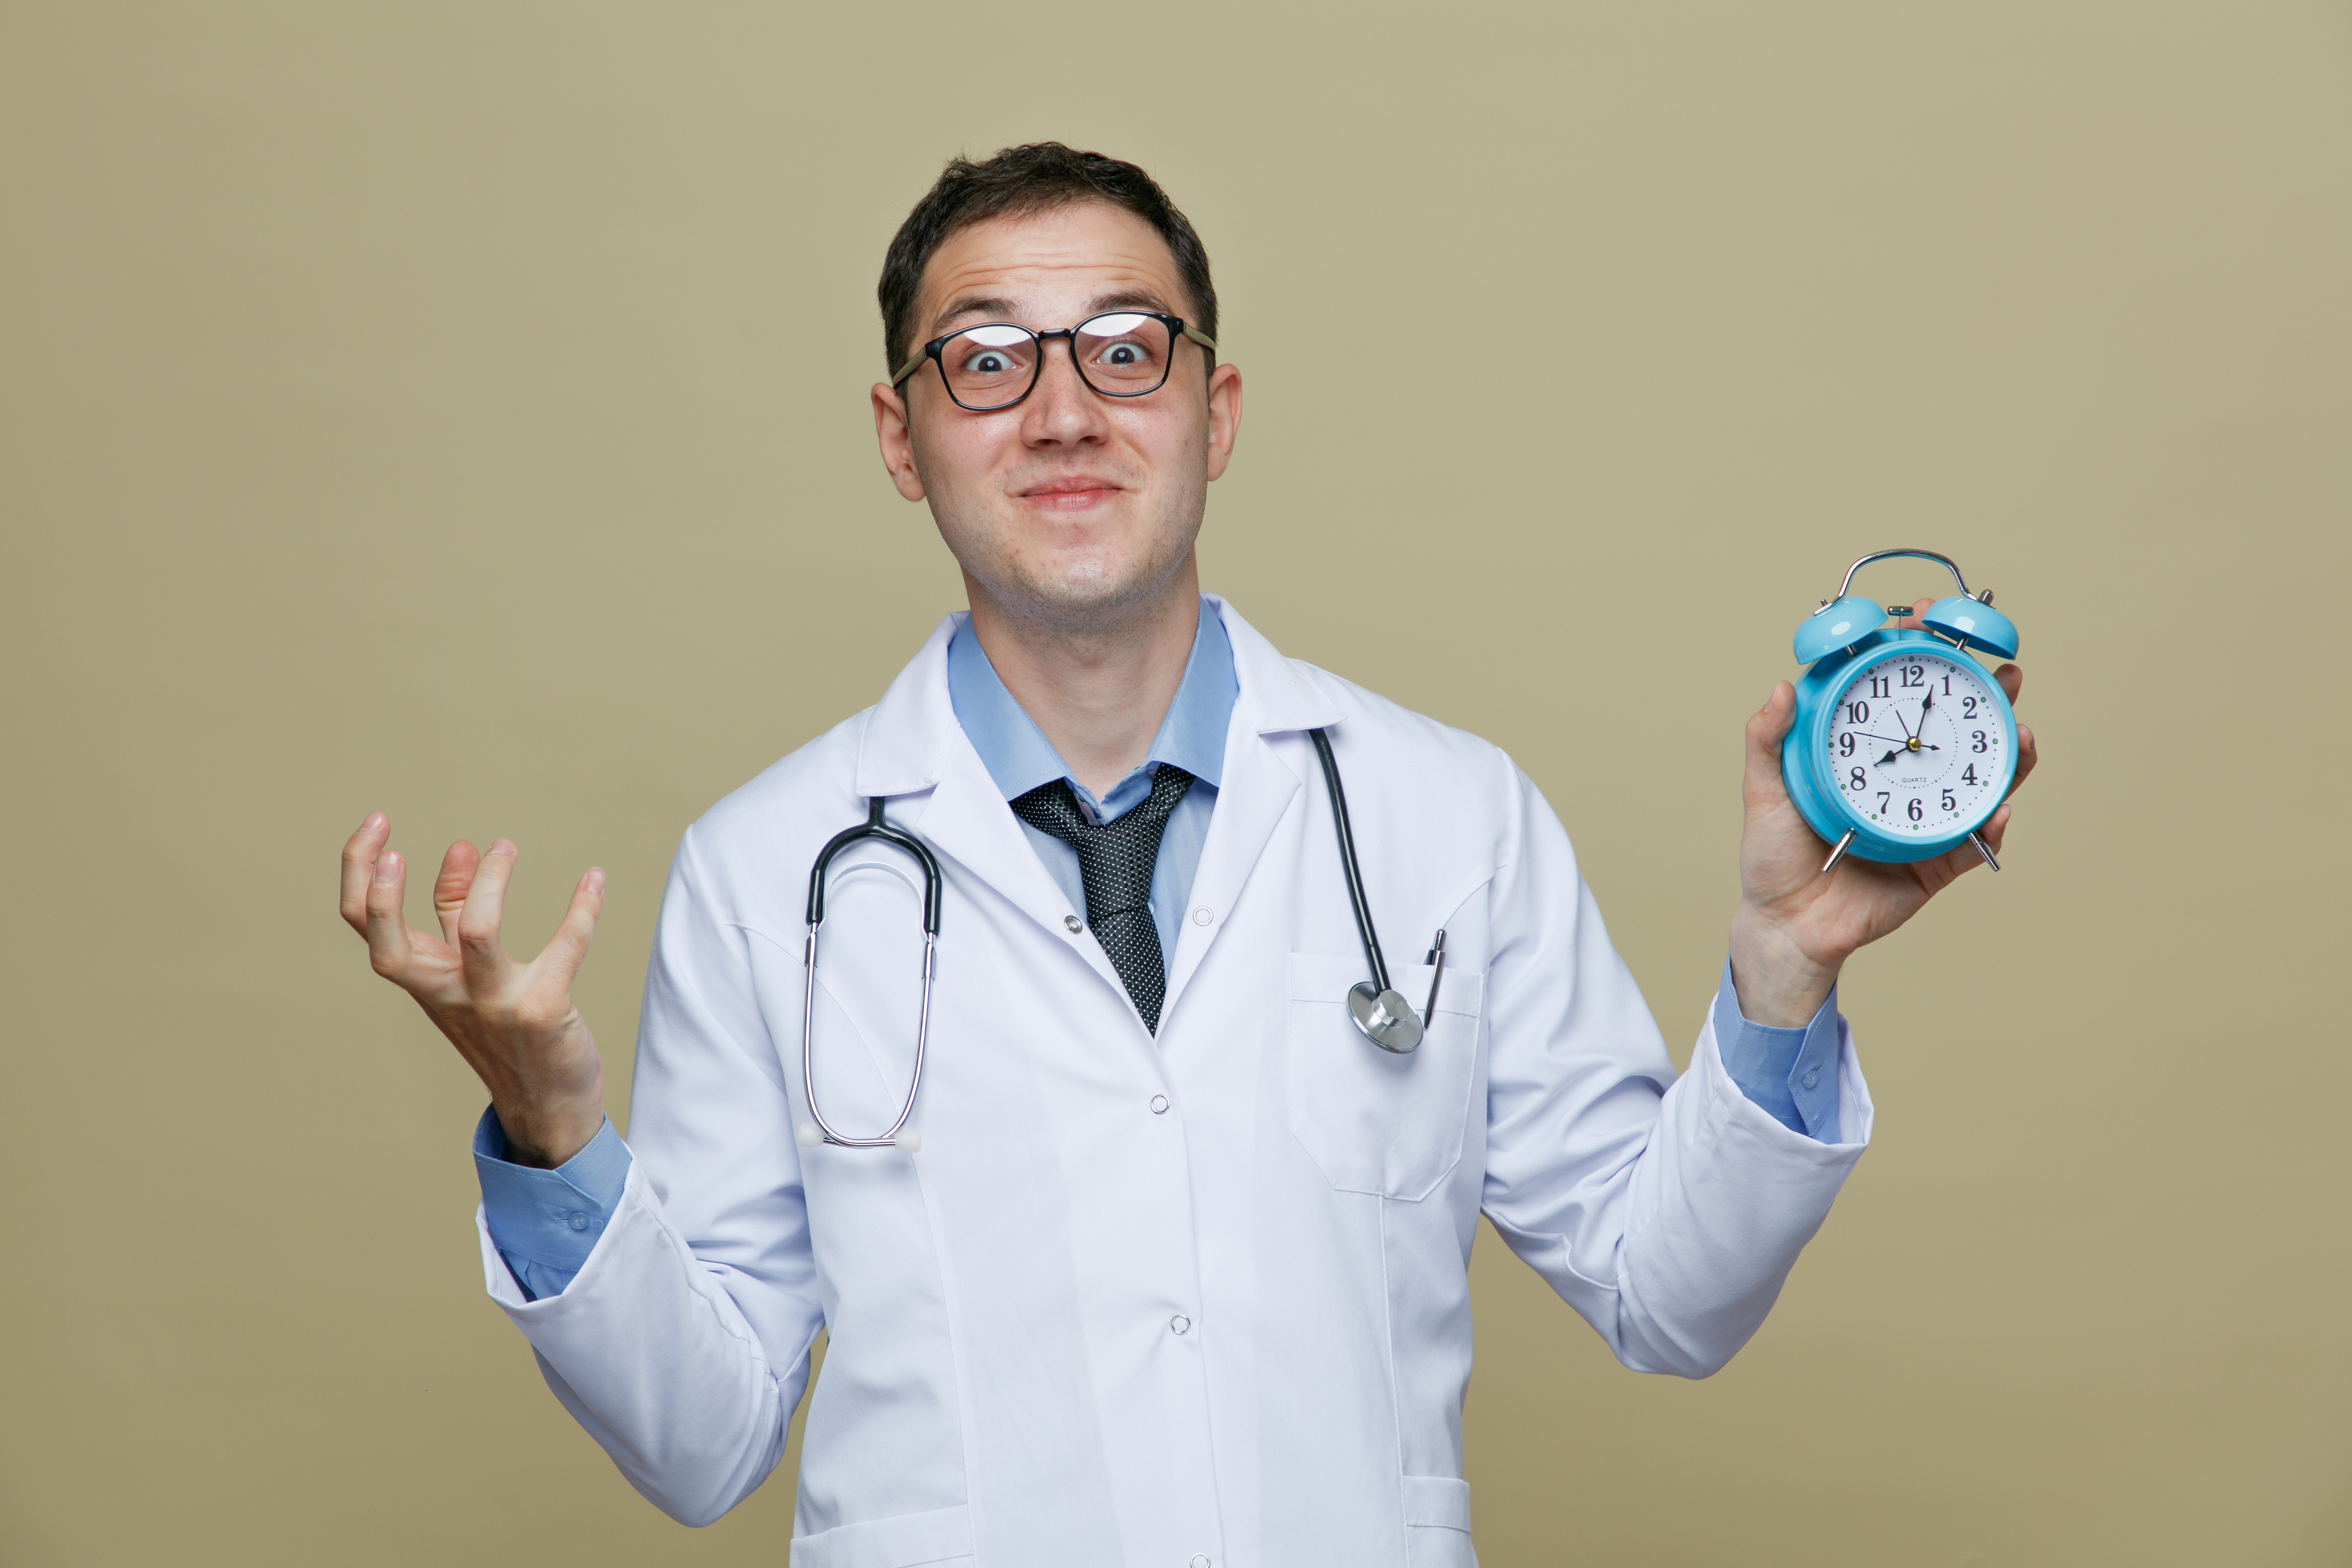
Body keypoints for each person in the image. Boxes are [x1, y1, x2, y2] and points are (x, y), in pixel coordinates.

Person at [339, 143, 2033, 1565]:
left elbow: (1674, 1298)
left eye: (1127, 349)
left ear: (1215, 412)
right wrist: (555, 1133)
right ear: (897, 436)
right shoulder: (765, 866)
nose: (1064, 412)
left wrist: (1781, 982)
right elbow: (701, 1441)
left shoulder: (1449, 814)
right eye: (989, 360)